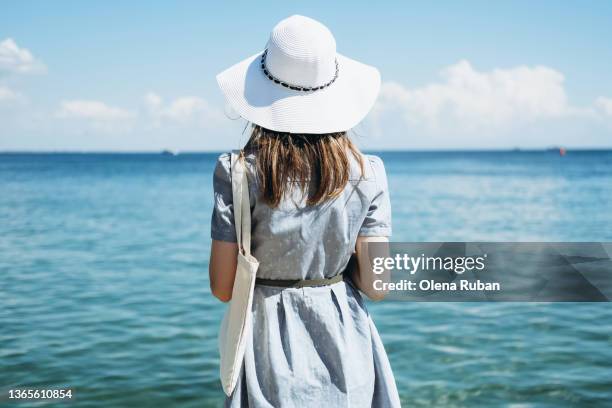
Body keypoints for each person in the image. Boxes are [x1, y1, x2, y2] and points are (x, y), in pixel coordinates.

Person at [209, 15, 401, 408]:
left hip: (266, 350)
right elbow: (378, 287)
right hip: (347, 346)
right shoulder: (368, 172)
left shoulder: (238, 171)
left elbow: (223, 286)